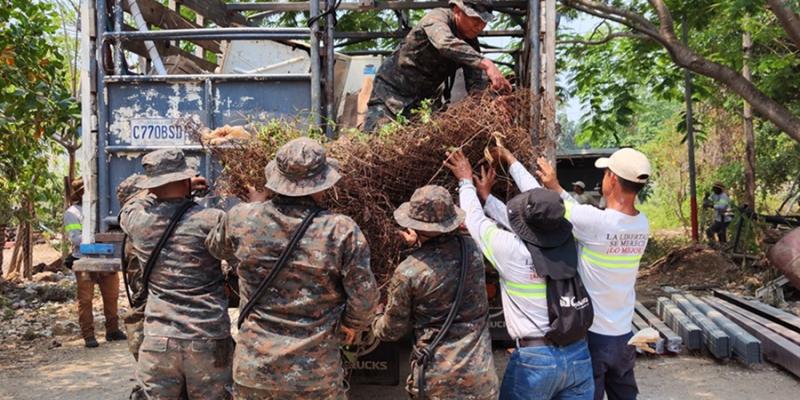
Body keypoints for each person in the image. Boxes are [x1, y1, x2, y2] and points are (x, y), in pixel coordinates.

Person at [206, 137, 380, 399]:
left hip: (255, 369)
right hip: (315, 374)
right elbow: (365, 300)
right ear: (322, 183)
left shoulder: (241, 218)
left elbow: (216, 248)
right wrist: (352, 324)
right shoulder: (340, 230)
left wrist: (255, 207)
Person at [491, 147, 651, 400]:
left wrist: (511, 161)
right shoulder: (642, 225)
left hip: (594, 336)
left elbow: (540, 206)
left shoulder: (597, 223)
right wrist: (557, 188)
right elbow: (571, 210)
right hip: (624, 336)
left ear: (612, 179)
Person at [445, 150, 593, 400]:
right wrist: (489, 196)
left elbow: (474, 220)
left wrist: (465, 180)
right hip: (579, 355)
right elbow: (541, 215)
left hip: (536, 361)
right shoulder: (572, 241)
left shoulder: (510, 250)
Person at [120, 149, 232, 400]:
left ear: (152, 186)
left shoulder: (137, 221)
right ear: (185, 179)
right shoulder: (212, 220)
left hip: (158, 340)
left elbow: (130, 202)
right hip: (208, 337)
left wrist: (169, 187)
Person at [372, 185, 499, 399]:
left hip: (436, 383)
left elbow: (391, 331)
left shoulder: (408, 271)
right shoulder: (474, 251)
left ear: (415, 226)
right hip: (481, 379)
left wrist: (376, 315)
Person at [363, 0, 512, 132]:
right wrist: (487, 63)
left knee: (427, 146)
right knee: (377, 143)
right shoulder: (437, 18)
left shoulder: (471, 44)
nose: (479, 26)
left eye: (484, 22)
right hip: (391, 92)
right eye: (475, 19)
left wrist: (491, 103)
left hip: (423, 101)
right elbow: (444, 43)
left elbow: (477, 85)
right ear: (457, 10)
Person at [64, 178, 126, 348]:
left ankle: (113, 330)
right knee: (85, 300)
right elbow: (76, 238)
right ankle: (88, 335)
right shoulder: (73, 213)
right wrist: (98, 240)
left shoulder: (103, 211)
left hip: (106, 259)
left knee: (111, 297)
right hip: (84, 261)